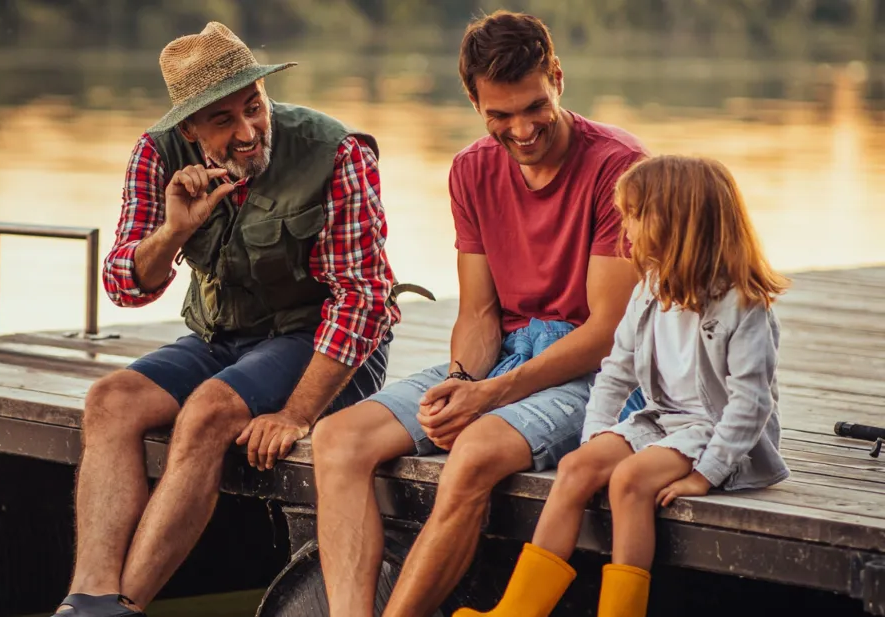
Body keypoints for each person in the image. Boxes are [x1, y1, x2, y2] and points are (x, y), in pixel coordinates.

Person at [52, 22, 410, 616]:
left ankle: (126, 608)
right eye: (223, 120)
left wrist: (297, 413)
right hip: (222, 338)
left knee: (208, 412)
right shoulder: (156, 153)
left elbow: (363, 302)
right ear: (189, 129)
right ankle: (87, 601)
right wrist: (174, 231)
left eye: (255, 108)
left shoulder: (336, 151)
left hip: (324, 343)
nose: (247, 132)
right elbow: (124, 285)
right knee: (109, 401)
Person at [309, 11, 650, 617]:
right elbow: (479, 314)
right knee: (337, 439)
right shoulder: (470, 169)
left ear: (558, 78)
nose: (521, 129)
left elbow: (608, 334)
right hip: (511, 356)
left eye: (534, 106)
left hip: (602, 374)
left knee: (472, 452)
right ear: (474, 102)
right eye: (500, 115)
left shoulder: (620, 166)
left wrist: (488, 396)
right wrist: (462, 381)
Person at [453, 154, 792, 617]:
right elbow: (616, 370)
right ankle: (517, 610)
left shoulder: (742, 304)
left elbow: (750, 406)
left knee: (630, 481)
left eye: (632, 215)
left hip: (719, 434)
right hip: (662, 422)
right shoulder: (650, 289)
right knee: (575, 468)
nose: (624, 228)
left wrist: (706, 474)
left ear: (674, 222)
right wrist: (596, 437)